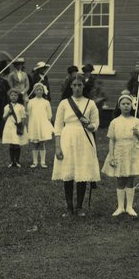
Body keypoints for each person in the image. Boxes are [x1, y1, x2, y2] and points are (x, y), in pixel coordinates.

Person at [52, 72, 101, 217]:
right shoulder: (64, 103)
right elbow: (58, 125)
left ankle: (79, 207)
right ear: (70, 86)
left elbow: (96, 124)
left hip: (84, 138)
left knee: (82, 172)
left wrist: (89, 126)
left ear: (84, 86)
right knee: (68, 173)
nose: (77, 88)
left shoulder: (90, 103)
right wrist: (57, 146)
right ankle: (69, 207)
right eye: (74, 85)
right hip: (67, 138)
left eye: (80, 85)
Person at [103, 90, 139, 217]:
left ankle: (129, 206)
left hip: (132, 151)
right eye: (123, 104)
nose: (125, 106)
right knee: (120, 178)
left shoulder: (137, 121)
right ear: (119, 106)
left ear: (132, 105)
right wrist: (112, 155)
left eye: (128, 104)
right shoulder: (115, 122)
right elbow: (112, 140)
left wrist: (137, 133)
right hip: (119, 150)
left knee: (130, 178)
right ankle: (120, 207)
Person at [26, 82, 53, 169]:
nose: (39, 91)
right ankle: (34, 162)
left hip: (42, 124)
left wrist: (47, 122)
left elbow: (49, 115)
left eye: (40, 90)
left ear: (43, 91)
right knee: (35, 144)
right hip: (34, 124)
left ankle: (43, 162)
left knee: (42, 143)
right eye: (37, 90)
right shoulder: (31, 102)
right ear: (34, 91)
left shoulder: (46, 102)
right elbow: (28, 113)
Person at [2, 88, 29, 168]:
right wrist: (8, 113)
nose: (13, 97)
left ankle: (17, 161)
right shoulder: (7, 107)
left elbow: (24, 117)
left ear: (18, 97)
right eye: (12, 95)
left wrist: (22, 126)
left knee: (17, 144)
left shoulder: (20, 107)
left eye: (15, 95)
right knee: (11, 144)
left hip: (18, 126)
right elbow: (4, 118)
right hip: (9, 126)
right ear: (9, 96)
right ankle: (12, 161)